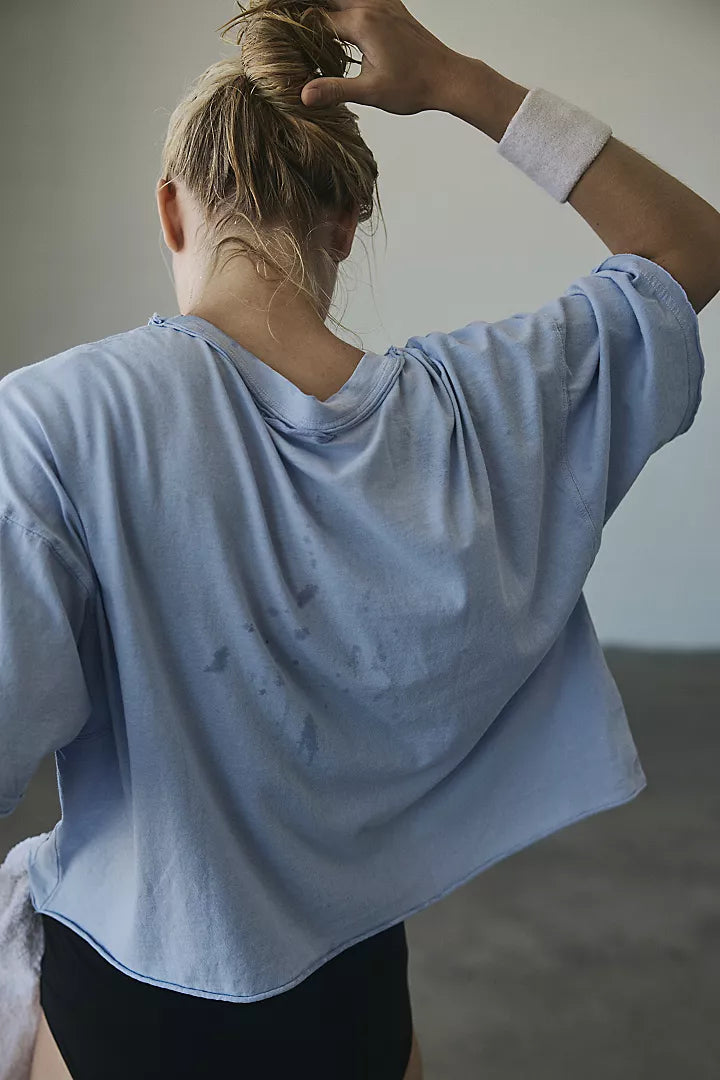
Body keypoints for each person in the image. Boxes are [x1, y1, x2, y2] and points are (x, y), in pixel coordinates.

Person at [2, 0, 716, 1077]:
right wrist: (463, 84)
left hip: (129, 1002)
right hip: (353, 999)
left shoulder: (55, 423)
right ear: (348, 223)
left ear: (170, 210)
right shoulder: (478, 408)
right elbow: (688, 246)